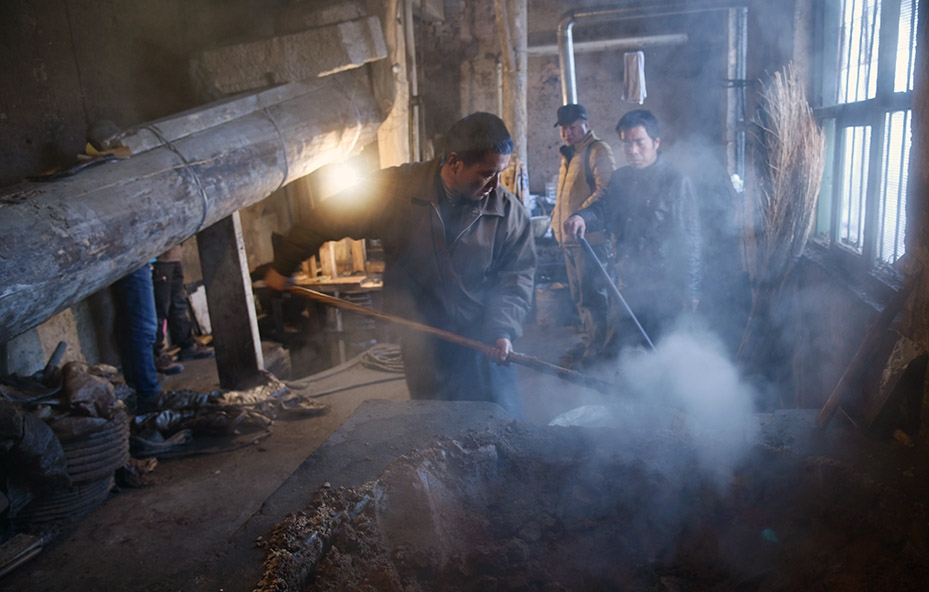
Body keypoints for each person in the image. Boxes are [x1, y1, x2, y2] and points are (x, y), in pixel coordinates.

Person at [265, 112, 536, 418]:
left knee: (500, 419)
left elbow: (517, 277)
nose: (496, 185)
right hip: (422, 335)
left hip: (483, 338)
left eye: (501, 173)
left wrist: (502, 329)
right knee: (434, 424)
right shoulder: (394, 192)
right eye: (487, 173)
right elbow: (328, 217)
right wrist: (284, 264)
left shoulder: (509, 215)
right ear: (454, 162)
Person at [563, 109, 701, 357]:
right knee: (619, 355)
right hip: (628, 285)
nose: (632, 150)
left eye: (639, 142)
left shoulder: (675, 181)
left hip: (665, 290)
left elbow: (689, 240)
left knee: (662, 355)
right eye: (626, 143)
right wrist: (581, 216)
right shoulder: (621, 178)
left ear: (656, 143)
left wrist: (690, 291)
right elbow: (603, 208)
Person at [549, 104, 616, 368]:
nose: (567, 132)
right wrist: (555, 223)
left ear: (586, 123)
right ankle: (591, 342)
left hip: (592, 241)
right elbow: (565, 195)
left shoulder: (597, 150)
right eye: (563, 128)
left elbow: (606, 191)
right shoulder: (570, 155)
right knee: (579, 296)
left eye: (572, 127)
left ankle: (600, 350)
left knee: (594, 296)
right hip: (571, 241)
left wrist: (582, 217)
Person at [151, 243, 214, 375]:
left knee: (178, 304)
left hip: (173, 256)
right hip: (159, 259)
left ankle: (187, 345)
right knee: (160, 310)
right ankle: (157, 354)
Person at [112, 263, 162, 412]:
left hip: (132, 263)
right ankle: (148, 394)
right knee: (144, 328)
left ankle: (138, 394)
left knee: (132, 327)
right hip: (134, 263)